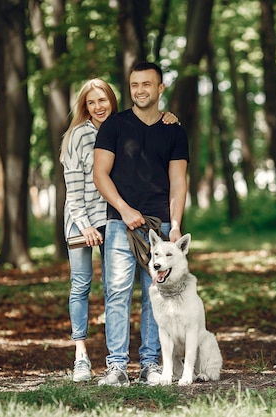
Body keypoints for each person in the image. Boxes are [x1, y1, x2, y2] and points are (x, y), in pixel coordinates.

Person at [61, 78, 179, 383]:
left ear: (113, 101)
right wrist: (85, 223)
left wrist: (167, 117)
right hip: (85, 219)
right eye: (91, 102)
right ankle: (83, 357)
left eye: (103, 100)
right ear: (84, 107)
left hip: (115, 218)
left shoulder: (122, 126)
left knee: (134, 289)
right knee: (84, 285)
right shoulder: (78, 136)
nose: (98, 107)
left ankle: (147, 363)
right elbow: (74, 188)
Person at [93, 62, 189, 387]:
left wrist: (174, 225)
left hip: (159, 224)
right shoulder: (114, 126)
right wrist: (123, 208)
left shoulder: (174, 129)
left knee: (156, 295)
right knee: (117, 292)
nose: (140, 90)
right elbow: (100, 174)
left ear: (160, 89)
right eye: (134, 84)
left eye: (147, 84)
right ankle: (116, 367)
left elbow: (178, 181)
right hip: (121, 223)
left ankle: (150, 365)